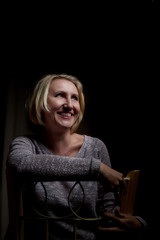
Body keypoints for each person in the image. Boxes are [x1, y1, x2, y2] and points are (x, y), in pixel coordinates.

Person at [6, 74, 147, 240]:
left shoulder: (96, 147)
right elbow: (20, 164)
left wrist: (138, 224)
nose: (69, 105)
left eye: (75, 98)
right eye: (59, 95)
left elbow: (108, 212)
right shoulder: (26, 144)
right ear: (40, 103)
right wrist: (96, 168)